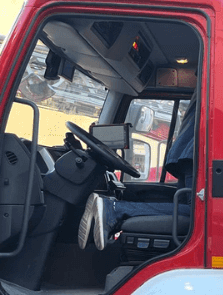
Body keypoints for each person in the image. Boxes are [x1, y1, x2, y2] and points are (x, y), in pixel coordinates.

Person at [77, 94, 196, 251]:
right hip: (196, 153)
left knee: (191, 210)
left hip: (189, 154)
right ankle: (115, 209)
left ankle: (114, 210)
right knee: (197, 213)